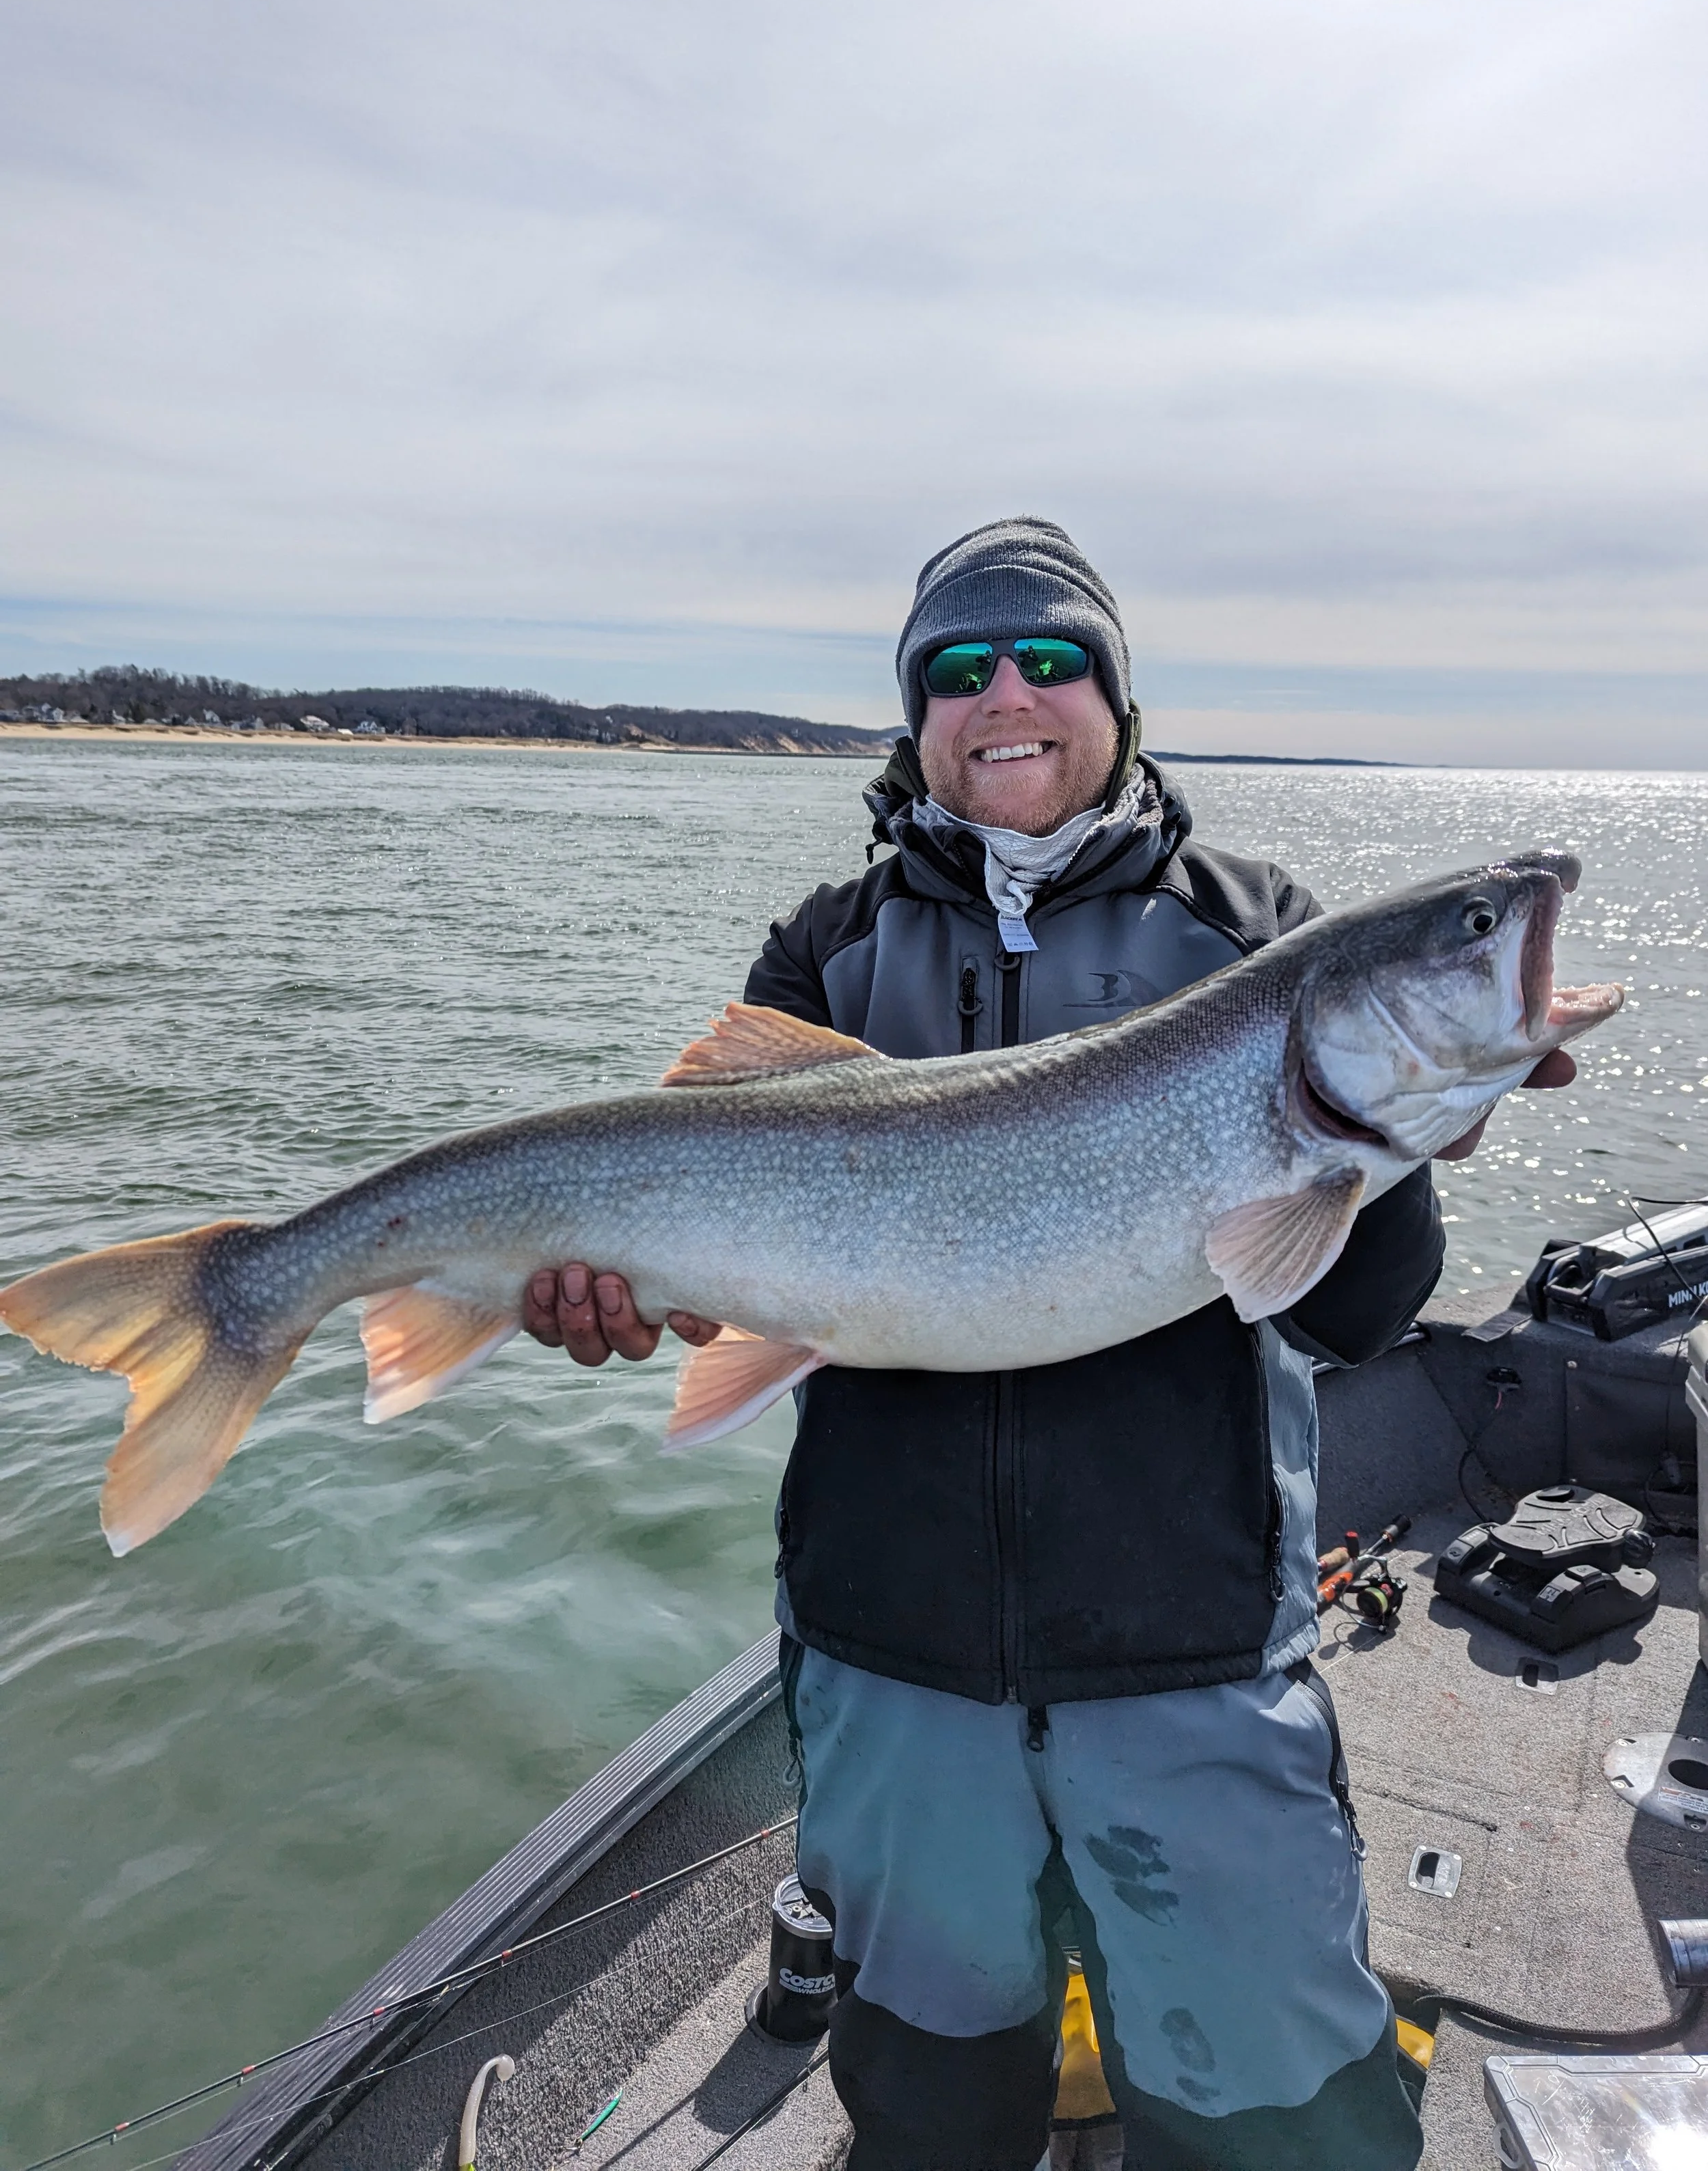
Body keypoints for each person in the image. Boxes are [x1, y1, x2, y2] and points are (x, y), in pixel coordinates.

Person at [523, 520, 1573, 2171]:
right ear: (916, 719)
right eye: (957, 667)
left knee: (1280, 2113)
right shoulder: (826, 949)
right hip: (889, 1652)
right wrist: (605, 1287)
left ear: (1115, 694)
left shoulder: (1255, 930)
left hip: (1189, 1647)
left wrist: (1396, 1155)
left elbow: (1354, 1317)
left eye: (1048, 657)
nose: (1003, 691)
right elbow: (726, 1261)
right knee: (928, 2101)